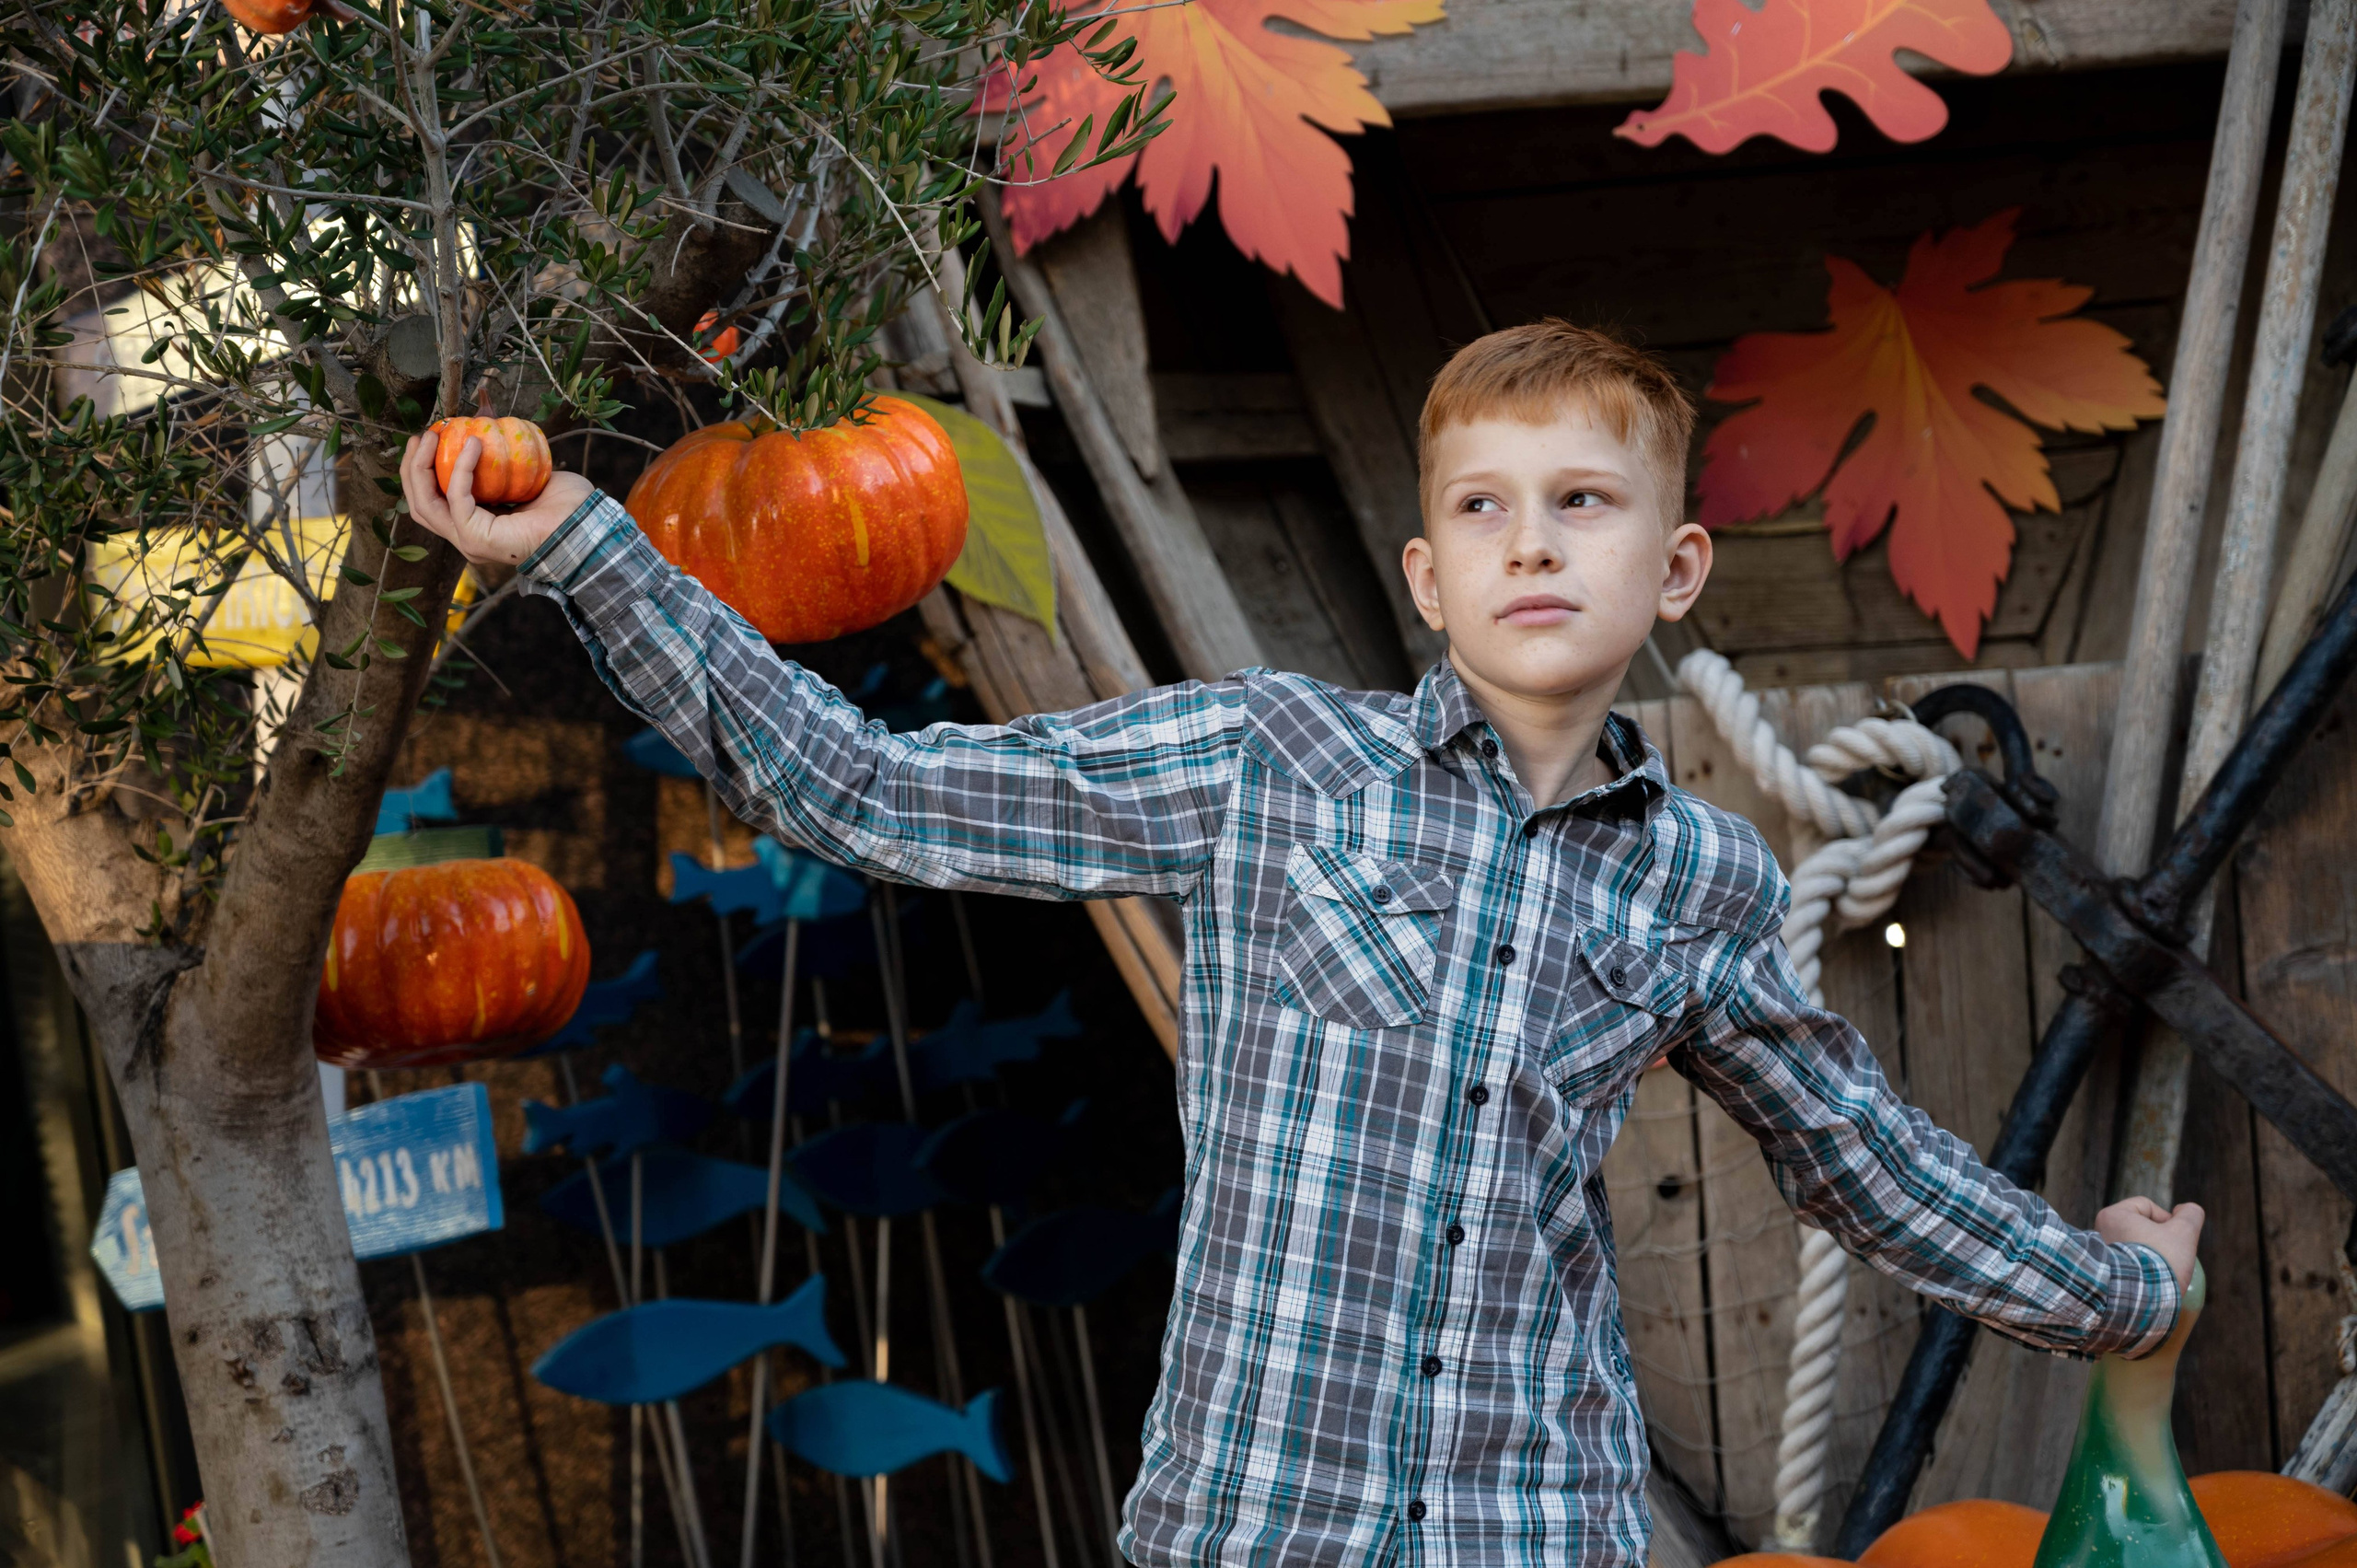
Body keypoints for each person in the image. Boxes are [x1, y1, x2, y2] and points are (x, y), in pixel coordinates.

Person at [400, 319, 2203, 1566]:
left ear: (1673, 567)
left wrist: (2124, 1292)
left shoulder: (1700, 883)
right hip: (1254, 1523)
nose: (1530, 546)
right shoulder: (1264, 763)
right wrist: (589, 549)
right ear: (1427, 577)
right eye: (1484, 509)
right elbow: (864, 790)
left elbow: (1863, 1168)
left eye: (1582, 503)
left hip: (1534, 1530)